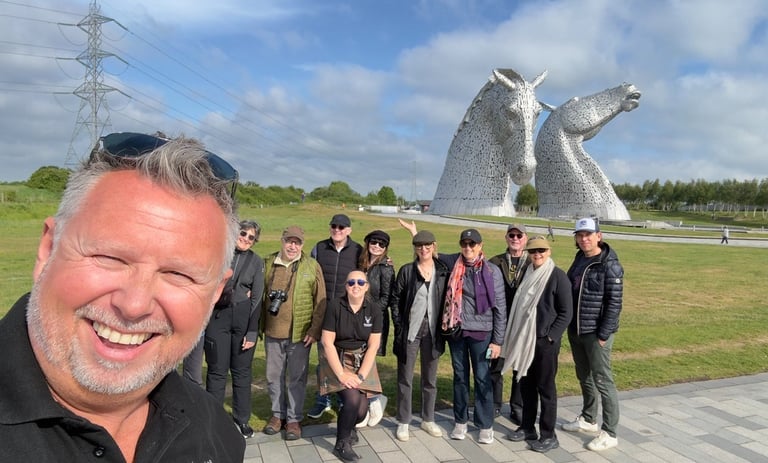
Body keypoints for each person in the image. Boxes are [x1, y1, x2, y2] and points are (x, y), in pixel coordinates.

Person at [0, 132, 245, 461]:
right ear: (48, 249)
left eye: (179, 275)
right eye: (110, 258)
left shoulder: (219, 435)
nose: (133, 306)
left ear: (215, 294)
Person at [501, 236, 572, 453]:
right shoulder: (527, 273)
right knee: (526, 385)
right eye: (533, 251)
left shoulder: (557, 276)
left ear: (548, 251)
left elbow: (566, 312)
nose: (537, 254)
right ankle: (527, 427)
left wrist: (550, 337)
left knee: (546, 389)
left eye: (541, 250)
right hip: (525, 340)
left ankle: (549, 435)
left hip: (544, 343)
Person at [561, 217, 624, 451]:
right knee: (584, 376)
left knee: (602, 380)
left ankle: (610, 432)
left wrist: (604, 334)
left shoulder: (610, 264)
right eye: (580, 235)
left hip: (596, 333)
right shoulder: (579, 259)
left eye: (588, 234)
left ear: (599, 235)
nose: (584, 239)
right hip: (577, 330)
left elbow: (614, 303)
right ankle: (588, 419)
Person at [261, 225, 327, 440]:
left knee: (296, 378)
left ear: (302, 244)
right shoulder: (269, 263)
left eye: (296, 242)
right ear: (282, 240)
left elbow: (321, 301)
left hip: (300, 334)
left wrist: (314, 330)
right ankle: (277, 415)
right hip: (272, 331)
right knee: (273, 376)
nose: (292, 246)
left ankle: (293, 420)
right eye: (289, 241)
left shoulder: (311, 266)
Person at [204, 219, 264, 438]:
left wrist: (252, 332)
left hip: (242, 321)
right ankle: (214, 420)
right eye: (243, 233)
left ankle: (242, 419)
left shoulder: (256, 262)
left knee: (241, 373)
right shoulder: (219, 253)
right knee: (217, 372)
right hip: (218, 319)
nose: (246, 238)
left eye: (251, 237)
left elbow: (258, 298)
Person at [390, 230, 450, 442]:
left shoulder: (442, 270)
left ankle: (428, 418)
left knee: (430, 379)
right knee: (405, 378)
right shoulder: (407, 271)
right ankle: (404, 421)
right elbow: (395, 299)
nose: (423, 250)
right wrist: (399, 325)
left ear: (434, 246)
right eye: (419, 246)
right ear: (414, 248)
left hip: (433, 332)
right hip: (410, 332)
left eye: (427, 246)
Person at [320, 270, 383, 462]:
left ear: (367, 286)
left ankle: (348, 424)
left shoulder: (374, 310)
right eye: (351, 282)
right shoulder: (334, 306)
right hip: (336, 360)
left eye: (360, 282)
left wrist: (361, 375)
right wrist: (341, 374)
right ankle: (342, 443)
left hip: (361, 361)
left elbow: (373, 345)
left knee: (361, 411)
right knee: (353, 401)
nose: (356, 286)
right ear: (346, 286)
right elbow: (327, 342)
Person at [308, 214, 363, 419]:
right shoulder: (319, 248)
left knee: (344, 359)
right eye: (334, 226)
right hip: (323, 312)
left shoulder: (358, 251)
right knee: (324, 358)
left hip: (347, 314)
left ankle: (343, 399)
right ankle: (323, 399)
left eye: (342, 227)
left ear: (349, 230)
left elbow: (366, 274)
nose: (337, 230)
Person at [488, 223, 529, 424]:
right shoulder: (495, 262)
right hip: (500, 321)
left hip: (522, 323)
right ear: (506, 238)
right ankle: (495, 404)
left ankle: (517, 406)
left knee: (520, 367)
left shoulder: (532, 261)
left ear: (525, 238)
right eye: (511, 235)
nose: (515, 238)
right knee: (495, 364)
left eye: (518, 235)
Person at [357, 229, 395, 426]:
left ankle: (374, 401)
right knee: (359, 359)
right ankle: (367, 403)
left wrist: (367, 311)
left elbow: (386, 298)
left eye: (381, 244)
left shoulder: (386, 268)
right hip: (356, 319)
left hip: (374, 320)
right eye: (374, 242)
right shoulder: (361, 262)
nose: (377, 246)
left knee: (368, 360)